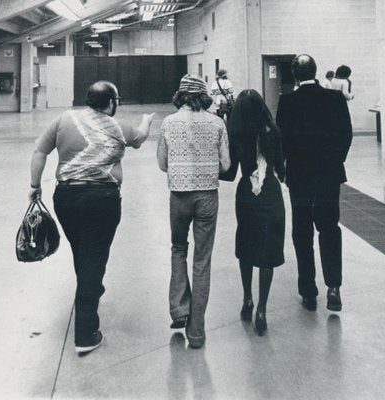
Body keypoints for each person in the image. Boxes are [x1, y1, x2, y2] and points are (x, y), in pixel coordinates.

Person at [29, 81, 154, 354]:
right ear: (111, 103)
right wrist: (146, 121)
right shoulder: (119, 127)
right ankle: (86, 334)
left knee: (84, 253)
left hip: (66, 199)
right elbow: (141, 137)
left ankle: (91, 288)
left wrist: (35, 185)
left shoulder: (64, 118)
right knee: (94, 258)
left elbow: (40, 151)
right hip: (102, 201)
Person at [157, 74, 230, 349]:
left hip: (179, 195)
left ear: (181, 96)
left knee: (178, 248)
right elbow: (225, 164)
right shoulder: (217, 123)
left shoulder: (168, 123)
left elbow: (162, 164)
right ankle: (197, 332)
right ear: (203, 95)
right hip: (207, 196)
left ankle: (179, 309)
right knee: (202, 259)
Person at [276, 55, 352, 312]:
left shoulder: (287, 102)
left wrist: (284, 168)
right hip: (329, 177)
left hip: (299, 178)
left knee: (302, 232)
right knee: (330, 229)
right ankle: (334, 287)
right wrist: (334, 162)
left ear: (295, 75)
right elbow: (346, 134)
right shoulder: (334, 99)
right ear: (316, 71)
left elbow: (282, 140)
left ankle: (308, 289)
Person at [220, 89, 285, 336]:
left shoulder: (237, 135)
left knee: (247, 245)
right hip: (270, 192)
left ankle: (247, 298)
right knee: (268, 249)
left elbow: (228, 173)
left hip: (246, 192)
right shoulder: (274, 133)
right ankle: (262, 309)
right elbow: (280, 167)